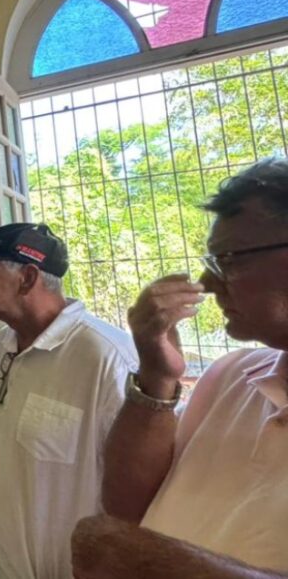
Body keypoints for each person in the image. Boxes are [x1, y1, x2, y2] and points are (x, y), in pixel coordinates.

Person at [78, 158, 288, 576]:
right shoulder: (232, 375)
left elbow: (126, 541)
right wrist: (156, 377)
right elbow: (125, 506)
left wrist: (152, 563)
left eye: (229, 259)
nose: (206, 283)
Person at [0, 222, 137, 579]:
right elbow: (7, 459)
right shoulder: (1, 345)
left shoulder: (105, 356)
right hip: (6, 562)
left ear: (28, 278)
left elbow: (137, 484)